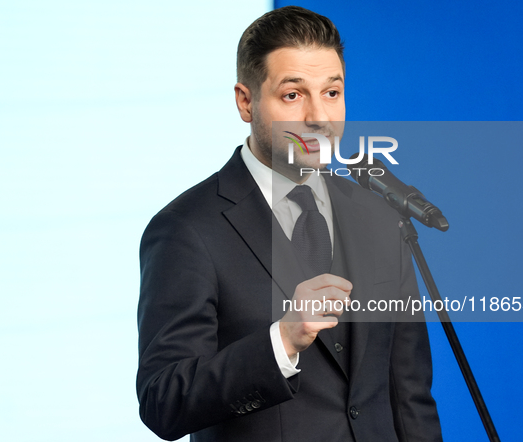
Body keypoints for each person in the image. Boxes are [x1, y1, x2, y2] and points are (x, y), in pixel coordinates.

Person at [137, 6, 442, 442]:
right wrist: (280, 340)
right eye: (293, 95)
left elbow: (410, 395)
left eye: (332, 93)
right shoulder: (186, 230)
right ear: (246, 101)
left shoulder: (378, 216)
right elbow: (162, 401)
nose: (320, 116)